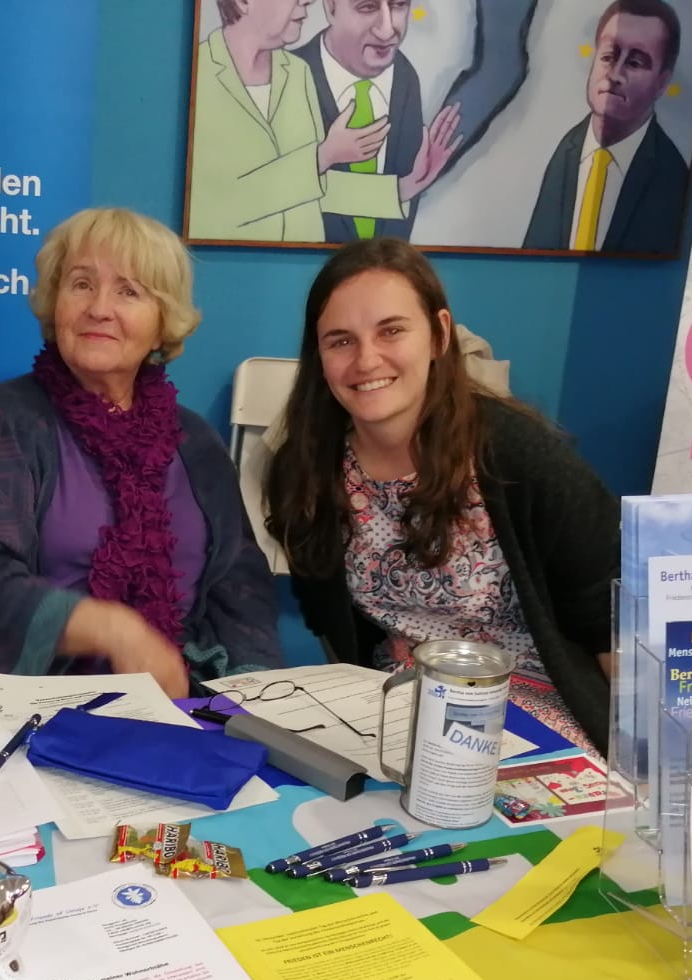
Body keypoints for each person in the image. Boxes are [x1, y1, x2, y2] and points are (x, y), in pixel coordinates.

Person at [264, 238, 617, 750]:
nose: (366, 359)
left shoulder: (521, 457)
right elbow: (329, 620)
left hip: (530, 706)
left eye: (392, 331)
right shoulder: (304, 468)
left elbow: (608, 620)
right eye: (340, 340)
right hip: (393, 704)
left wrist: (645, 773)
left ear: (439, 335)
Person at [0, 208, 281, 696]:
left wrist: (252, 700)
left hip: (179, 704)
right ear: (55, 301)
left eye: (129, 291)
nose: (100, 308)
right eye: (81, 284)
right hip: (30, 709)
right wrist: (114, 630)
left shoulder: (197, 442)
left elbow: (240, 590)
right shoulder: (6, 416)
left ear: (164, 321)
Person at [188, 0, 404, 241]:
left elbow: (315, 189)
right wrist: (323, 156)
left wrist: (404, 189)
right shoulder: (198, 73)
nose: (308, 1)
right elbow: (210, 204)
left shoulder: (298, 71)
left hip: (302, 272)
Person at [523, 0, 689, 253]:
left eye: (635, 63)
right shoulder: (564, 151)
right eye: (609, 56)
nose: (614, 74)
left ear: (662, 83)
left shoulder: (673, 178)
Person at [292, 0, 462, 243]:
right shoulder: (288, 77)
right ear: (331, 8)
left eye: (399, 5)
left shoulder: (405, 79)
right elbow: (277, 197)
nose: (387, 29)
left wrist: (409, 186)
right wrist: (324, 156)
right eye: (367, 8)